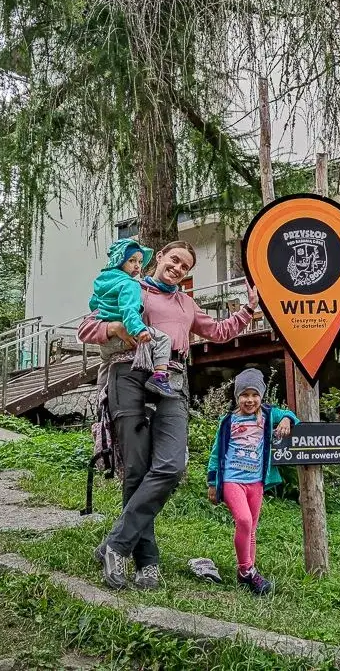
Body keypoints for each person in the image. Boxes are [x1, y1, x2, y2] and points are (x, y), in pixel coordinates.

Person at [78, 240, 259, 591]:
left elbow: (219, 332)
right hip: (127, 373)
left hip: (171, 378)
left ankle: (115, 545)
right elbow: (86, 329)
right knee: (136, 470)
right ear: (159, 257)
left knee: (171, 466)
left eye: (185, 267)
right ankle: (147, 562)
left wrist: (247, 310)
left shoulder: (186, 303)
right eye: (173, 260)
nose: (177, 269)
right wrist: (115, 329)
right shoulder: (127, 284)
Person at [206, 368, 298, 596]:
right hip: (232, 480)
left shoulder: (268, 415)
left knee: (252, 529)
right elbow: (217, 452)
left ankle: (245, 574)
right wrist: (212, 481)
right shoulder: (228, 421)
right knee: (244, 521)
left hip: (256, 481)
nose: (250, 400)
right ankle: (248, 571)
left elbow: (293, 416)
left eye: (254, 395)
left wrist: (286, 419)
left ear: (262, 396)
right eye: (244, 395)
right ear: (237, 397)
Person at [88, 238, 178, 398]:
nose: (137, 265)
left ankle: (101, 397)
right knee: (163, 339)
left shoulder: (102, 281)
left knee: (105, 364)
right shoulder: (130, 284)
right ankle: (159, 377)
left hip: (106, 341)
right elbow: (129, 310)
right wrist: (139, 329)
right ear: (120, 260)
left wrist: (106, 318)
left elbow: (94, 304)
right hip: (126, 337)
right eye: (132, 260)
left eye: (140, 261)